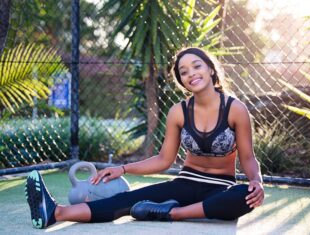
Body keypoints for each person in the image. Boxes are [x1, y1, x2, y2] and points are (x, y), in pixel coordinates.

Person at [25, 47, 264, 229]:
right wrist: (123, 168)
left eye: (197, 66)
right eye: (184, 72)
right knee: (126, 200)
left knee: (243, 196)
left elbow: (248, 157)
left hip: (220, 188)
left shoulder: (235, 109)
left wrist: (257, 181)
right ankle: (56, 213)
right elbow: (163, 160)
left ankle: (171, 213)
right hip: (185, 184)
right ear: (181, 81)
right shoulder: (178, 112)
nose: (191, 74)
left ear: (210, 69)